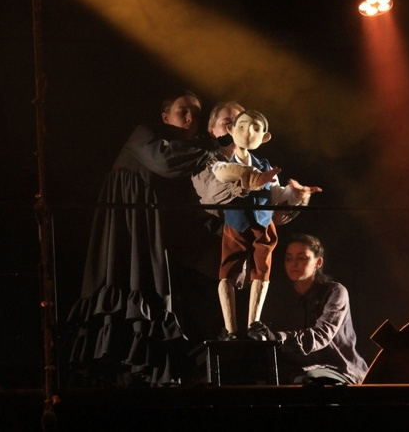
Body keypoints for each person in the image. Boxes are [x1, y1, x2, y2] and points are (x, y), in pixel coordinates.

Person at [68, 91, 219, 386]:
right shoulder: (145, 135)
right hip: (128, 230)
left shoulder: (193, 154)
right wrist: (212, 145)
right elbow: (165, 161)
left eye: (197, 114)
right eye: (183, 111)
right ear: (165, 116)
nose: (191, 118)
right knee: (127, 287)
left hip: (154, 233)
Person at [193, 109, 321, 340]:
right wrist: (252, 178)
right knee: (228, 270)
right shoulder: (220, 163)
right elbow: (223, 173)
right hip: (236, 223)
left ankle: (255, 324)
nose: (248, 132)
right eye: (241, 126)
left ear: (264, 137)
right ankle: (231, 329)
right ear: (231, 130)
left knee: (262, 270)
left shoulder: (265, 165)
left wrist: (297, 195)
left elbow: (277, 194)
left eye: (255, 128)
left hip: (262, 222)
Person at [252, 233, 369, 384]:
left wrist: (279, 338)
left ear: (318, 262)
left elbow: (322, 334)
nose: (294, 264)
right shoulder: (282, 298)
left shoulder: (335, 292)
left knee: (309, 381)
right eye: (289, 258)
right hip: (297, 371)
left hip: (338, 369)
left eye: (302, 258)